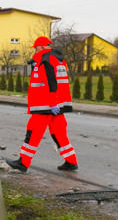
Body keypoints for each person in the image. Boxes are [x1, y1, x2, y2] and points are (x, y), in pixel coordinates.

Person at [6, 36, 79, 173]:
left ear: (41, 47)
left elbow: (51, 83)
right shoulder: (58, 60)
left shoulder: (45, 60)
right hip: (57, 105)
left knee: (33, 133)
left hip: (45, 106)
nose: (34, 50)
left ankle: (23, 162)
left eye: (35, 48)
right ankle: (71, 161)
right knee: (59, 134)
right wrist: (56, 104)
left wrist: (52, 103)